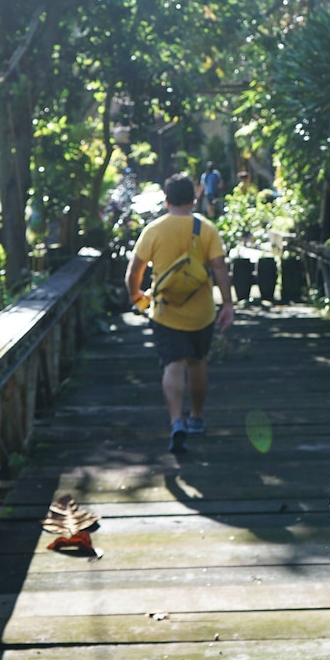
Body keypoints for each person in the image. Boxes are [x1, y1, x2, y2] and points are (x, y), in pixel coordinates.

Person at [125, 173, 234, 453]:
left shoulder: (153, 230)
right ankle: (196, 417)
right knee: (197, 363)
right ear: (194, 199)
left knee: (173, 365)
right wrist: (228, 305)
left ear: (166, 200)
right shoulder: (207, 229)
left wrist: (136, 296)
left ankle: (176, 422)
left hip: (165, 311)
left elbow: (134, 271)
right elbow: (220, 268)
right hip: (202, 313)